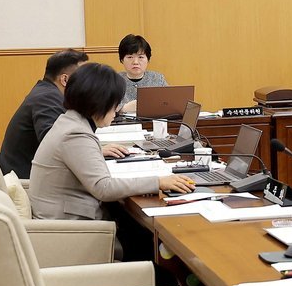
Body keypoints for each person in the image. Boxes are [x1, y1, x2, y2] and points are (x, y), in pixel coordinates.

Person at [29, 62, 195, 223]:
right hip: (69, 225)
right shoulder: (75, 134)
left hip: (64, 213)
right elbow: (104, 188)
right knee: (141, 227)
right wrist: (159, 182)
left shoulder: (68, 121)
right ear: (98, 103)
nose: (116, 110)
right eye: (115, 104)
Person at [0, 50, 131, 179]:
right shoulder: (47, 98)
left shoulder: (47, 92)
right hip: (25, 178)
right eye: (82, 76)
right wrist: (97, 151)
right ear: (65, 79)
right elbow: (56, 144)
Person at [118, 33, 168, 114]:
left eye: (140, 57)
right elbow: (103, 107)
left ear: (148, 59)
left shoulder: (158, 79)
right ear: (122, 60)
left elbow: (169, 103)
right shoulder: (113, 80)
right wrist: (123, 109)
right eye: (130, 57)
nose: (135, 62)